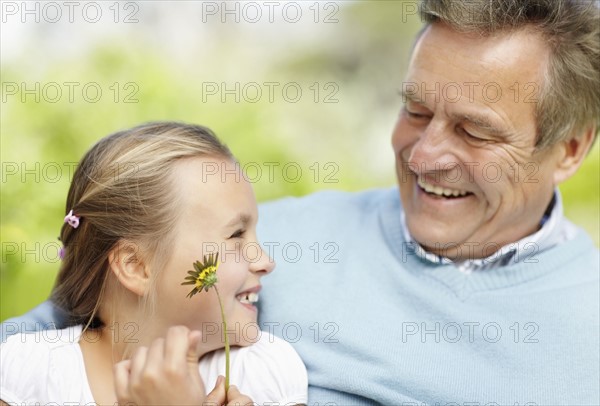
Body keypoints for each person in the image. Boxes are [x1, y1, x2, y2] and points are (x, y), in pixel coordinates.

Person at [2, 0, 599, 404]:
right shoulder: (278, 239)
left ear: (570, 149)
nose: (422, 155)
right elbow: (62, 338)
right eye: (415, 111)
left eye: (474, 130)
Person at [0, 122, 307, 405]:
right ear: (135, 266)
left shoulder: (265, 373)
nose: (266, 261)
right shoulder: (33, 372)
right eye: (236, 234)